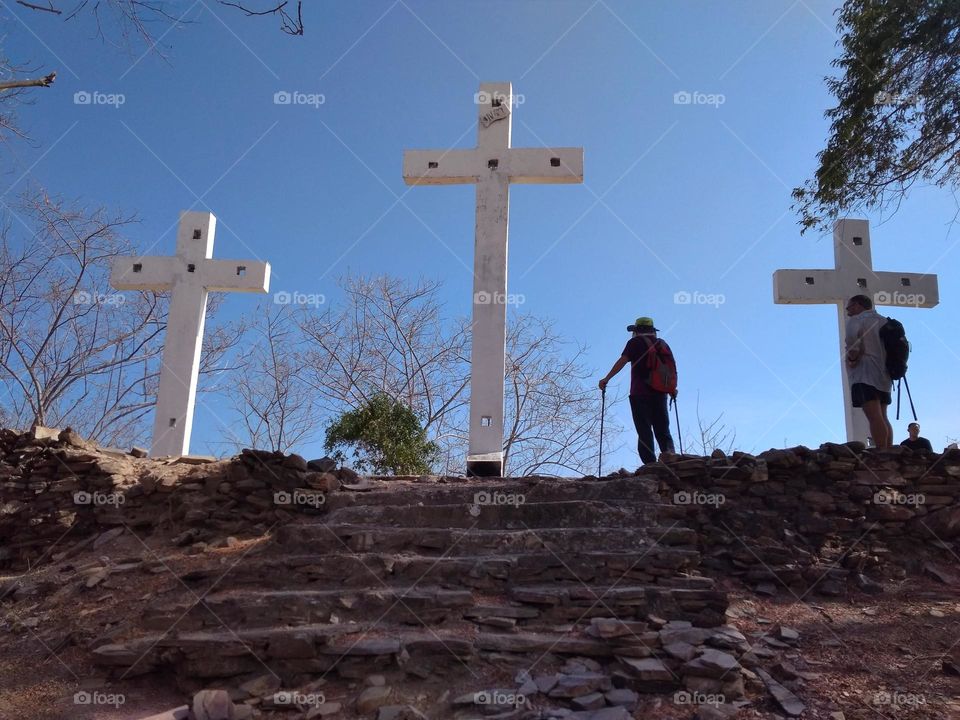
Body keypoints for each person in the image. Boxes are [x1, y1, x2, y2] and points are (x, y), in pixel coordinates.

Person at [599, 316, 677, 464]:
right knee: (663, 429)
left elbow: (622, 361)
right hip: (661, 393)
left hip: (640, 393)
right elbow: (670, 369)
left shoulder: (634, 343)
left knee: (644, 430)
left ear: (637, 330)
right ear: (652, 330)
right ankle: (671, 459)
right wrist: (672, 388)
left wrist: (606, 378)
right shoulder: (662, 344)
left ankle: (650, 465)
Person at [845, 294, 893, 448]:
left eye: (850, 307)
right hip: (884, 375)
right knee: (883, 416)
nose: (847, 311)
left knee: (873, 416)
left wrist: (852, 360)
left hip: (865, 373)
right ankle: (888, 450)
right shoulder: (884, 320)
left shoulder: (857, 320)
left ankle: (882, 451)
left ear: (859, 305)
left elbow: (852, 343)